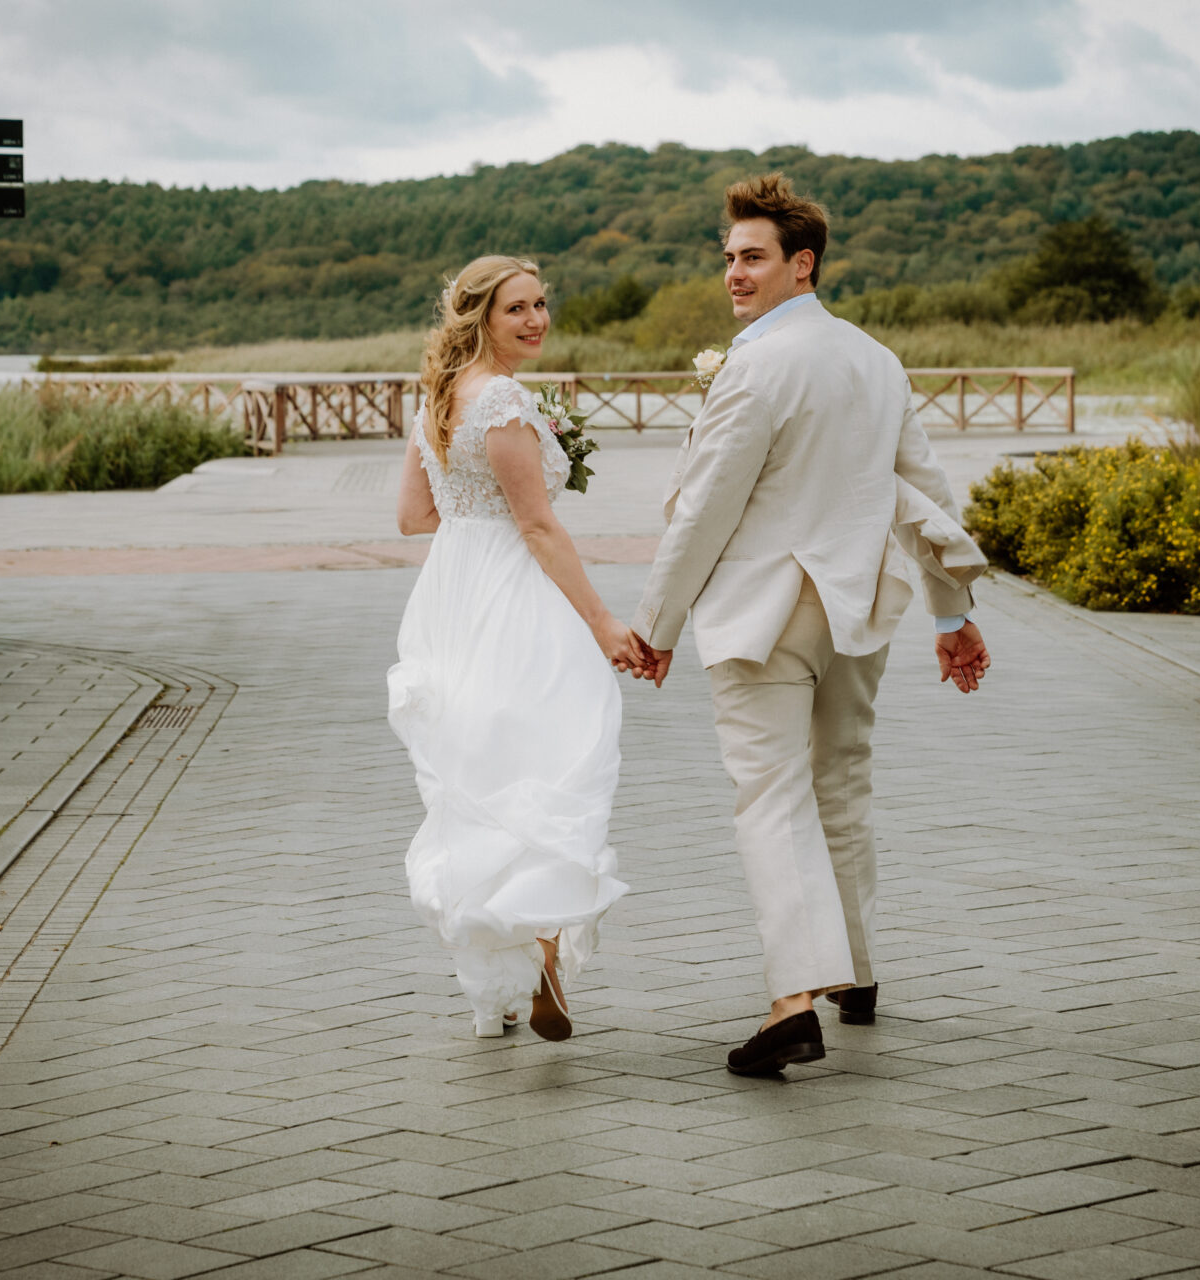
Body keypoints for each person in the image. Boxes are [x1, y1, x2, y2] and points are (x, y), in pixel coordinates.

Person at [629, 174, 991, 1075]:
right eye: (728, 258)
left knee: (771, 794)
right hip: (857, 605)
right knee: (842, 781)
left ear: (804, 264)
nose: (734, 275)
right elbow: (925, 494)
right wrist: (952, 612)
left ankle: (794, 999)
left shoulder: (756, 364)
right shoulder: (876, 359)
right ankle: (856, 972)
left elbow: (707, 509)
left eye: (752, 257)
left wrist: (656, 625)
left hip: (766, 611)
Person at [389, 255, 641, 1040]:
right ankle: (541, 963)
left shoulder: (436, 397)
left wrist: (472, 510)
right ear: (479, 319)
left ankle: (492, 992)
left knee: (477, 776)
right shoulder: (500, 400)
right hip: (511, 599)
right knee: (540, 767)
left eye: (541, 304)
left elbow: (412, 518)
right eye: (516, 310)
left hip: (450, 594)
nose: (536, 320)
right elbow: (537, 526)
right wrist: (603, 623)